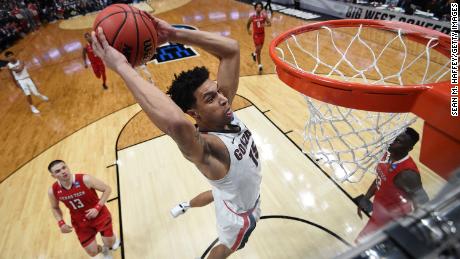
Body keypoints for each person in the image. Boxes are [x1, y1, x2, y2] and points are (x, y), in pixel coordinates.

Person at [91, 13, 262, 258]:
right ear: (195, 114)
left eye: (216, 91)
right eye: (210, 98)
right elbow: (176, 124)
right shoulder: (209, 148)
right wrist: (122, 67)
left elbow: (231, 50)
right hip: (241, 216)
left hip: (232, 193)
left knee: (218, 193)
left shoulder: (223, 112)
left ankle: (185, 205)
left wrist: (174, 34)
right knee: (223, 249)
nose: (223, 98)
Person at [355, 127, 429, 242]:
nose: (392, 142)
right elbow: (380, 177)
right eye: (394, 137)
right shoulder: (388, 154)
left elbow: (423, 202)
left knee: (361, 244)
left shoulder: (407, 174)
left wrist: (410, 227)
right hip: (379, 210)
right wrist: (367, 197)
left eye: (398, 141)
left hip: (392, 219)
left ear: (409, 148)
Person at [47, 160, 120, 258]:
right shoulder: (53, 191)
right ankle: (104, 250)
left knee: (111, 244)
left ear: (67, 167)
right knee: (92, 253)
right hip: (80, 222)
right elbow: (54, 207)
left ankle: (110, 239)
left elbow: (107, 189)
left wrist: (97, 208)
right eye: (58, 171)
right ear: (53, 176)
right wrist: (61, 222)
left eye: (64, 168)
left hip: (100, 215)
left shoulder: (85, 179)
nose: (63, 171)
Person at [246, 1, 271, 73]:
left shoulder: (264, 16)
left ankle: (254, 54)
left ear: (262, 8)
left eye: (260, 7)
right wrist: (248, 30)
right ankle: (260, 65)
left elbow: (270, 24)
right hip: (256, 35)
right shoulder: (252, 17)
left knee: (259, 49)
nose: (258, 8)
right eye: (257, 7)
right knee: (259, 49)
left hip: (262, 34)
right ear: (255, 8)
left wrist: (265, 25)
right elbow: (247, 24)